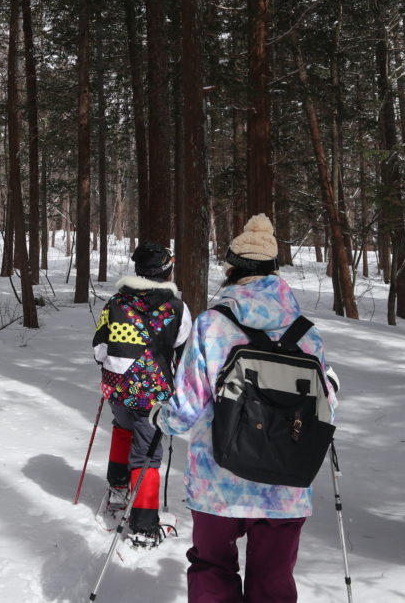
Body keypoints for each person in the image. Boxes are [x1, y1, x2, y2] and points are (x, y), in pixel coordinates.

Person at [150, 214, 339, 602]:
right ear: (274, 272)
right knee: (273, 581)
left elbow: (186, 407)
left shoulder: (212, 326)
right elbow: (324, 406)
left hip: (218, 481)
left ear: (231, 270)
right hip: (285, 485)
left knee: (213, 570)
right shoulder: (307, 333)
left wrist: (159, 416)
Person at [92, 241, 192, 547]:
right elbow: (184, 353)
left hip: (118, 387)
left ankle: (118, 487)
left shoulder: (116, 304)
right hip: (154, 394)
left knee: (122, 430)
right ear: (166, 271)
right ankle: (144, 526)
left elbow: (99, 350)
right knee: (147, 453)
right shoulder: (176, 308)